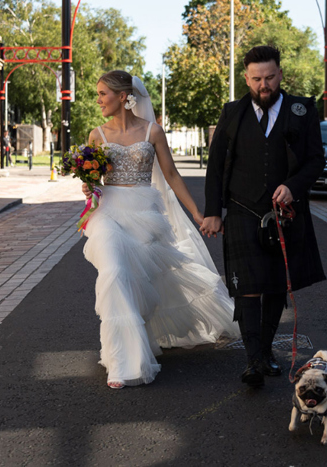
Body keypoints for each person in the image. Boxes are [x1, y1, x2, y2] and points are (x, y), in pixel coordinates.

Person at [81, 70, 238, 389]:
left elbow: (171, 176)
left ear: (123, 96)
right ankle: (122, 362)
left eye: (102, 94)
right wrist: (88, 187)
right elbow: (92, 181)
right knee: (113, 273)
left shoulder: (153, 131)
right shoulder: (96, 135)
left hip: (143, 212)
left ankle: (136, 344)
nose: (98, 100)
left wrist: (198, 212)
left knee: (135, 280)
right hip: (108, 212)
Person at [201, 46, 326, 387]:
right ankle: (254, 360)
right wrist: (213, 211)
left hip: (285, 214)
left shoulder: (302, 110)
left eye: (269, 77)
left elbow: (316, 159)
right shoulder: (232, 113)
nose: (263, 85)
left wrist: (293, 186)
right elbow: (215, 166)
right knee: (247, 289)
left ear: (281, 74)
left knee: (274, 286)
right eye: (256, 79)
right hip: (242, 210)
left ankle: (266, 352)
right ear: (246, 78)